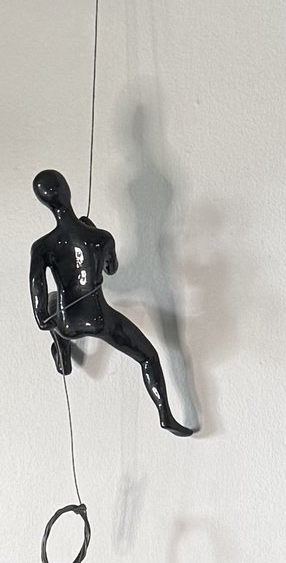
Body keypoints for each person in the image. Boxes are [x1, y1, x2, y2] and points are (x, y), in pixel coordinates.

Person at [28, 168, 197, 437]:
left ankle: (62, 353)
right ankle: (165, 415)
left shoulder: (43, 246)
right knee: (147, 357)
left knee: (51, 306)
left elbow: (38, 294)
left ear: (44, 203)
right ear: (68, 193)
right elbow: (112, 270)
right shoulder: (101, 238)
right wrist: (93, 236)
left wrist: (42, 319)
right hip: (98, 320)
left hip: (68, 324)